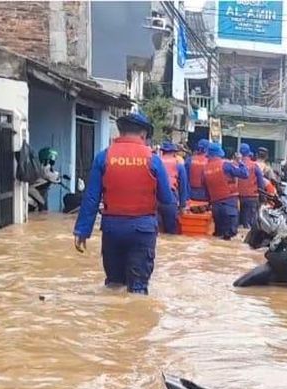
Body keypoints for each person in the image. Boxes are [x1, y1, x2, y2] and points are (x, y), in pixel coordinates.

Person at [73, 113, 177, 295]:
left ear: (120, 132)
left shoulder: (103, 157)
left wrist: (82, 231)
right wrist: (171, 227)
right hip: (142, 231)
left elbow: (91, 198)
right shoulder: (153, 160)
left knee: (113, 285)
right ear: (144, 135)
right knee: (137, 290)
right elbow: (167, 200)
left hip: (112, 229)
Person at [202, 143, 249, 240]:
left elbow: (205, 189)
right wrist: (240, 161)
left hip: (215, 206)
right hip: (229, 204)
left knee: (218, 234)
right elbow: (245, 174)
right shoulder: (225, 165)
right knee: (230, 235)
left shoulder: (205, 169)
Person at [156, 141, 190, 232]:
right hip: (170, 200)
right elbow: (183, 187)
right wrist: (183, 205)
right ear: (174, 152)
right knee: (170, 233)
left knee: (157, 233)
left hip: (154, 200)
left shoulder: (156, 162)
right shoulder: (179, 165)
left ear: (162, 151)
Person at [236, 143, 267, 231]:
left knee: (239, 226)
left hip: (238, 199)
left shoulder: (235, 165)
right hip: (252, 198)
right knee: (249, 226)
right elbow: (261, 183)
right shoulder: (254, 166)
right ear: (249, 153)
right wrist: (263, 198)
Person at [184, 138, 210, 205]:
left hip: (190, 194)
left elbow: (184, 179)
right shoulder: (210, 161)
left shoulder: (189, 160)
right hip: (206, 195)